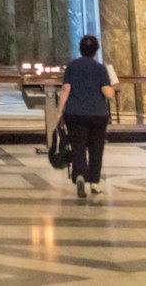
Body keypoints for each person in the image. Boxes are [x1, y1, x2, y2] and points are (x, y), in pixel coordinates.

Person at [54, 33, 114, 200]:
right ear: (95, 51)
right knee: (96, 148)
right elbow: (107, 93)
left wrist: (59, 112)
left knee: (78, 146)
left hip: (75, 113)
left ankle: (80, 174)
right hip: (97, 114)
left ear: (80, 49)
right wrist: (112, 88)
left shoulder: (72, 66)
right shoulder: (101, 69)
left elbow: (65, 90)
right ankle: (95, 182)